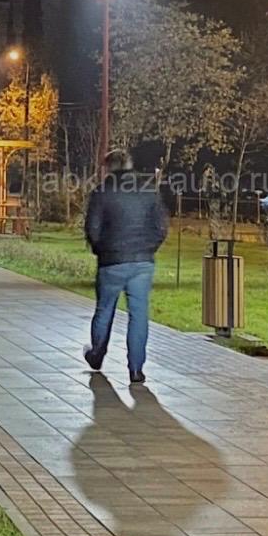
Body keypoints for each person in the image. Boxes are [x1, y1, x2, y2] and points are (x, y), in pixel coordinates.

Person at [83, 150, 169, 385]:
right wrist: (149, 249)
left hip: (111, 262)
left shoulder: (102, 192)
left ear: (108, 167)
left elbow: (92, 228)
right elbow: (161, 227)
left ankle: (97, 354)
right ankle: (136, 369)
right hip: (142, 262)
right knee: (139, 315)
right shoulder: (149, 190)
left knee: (104, 310)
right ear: (129, 165)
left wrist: (101, 250)